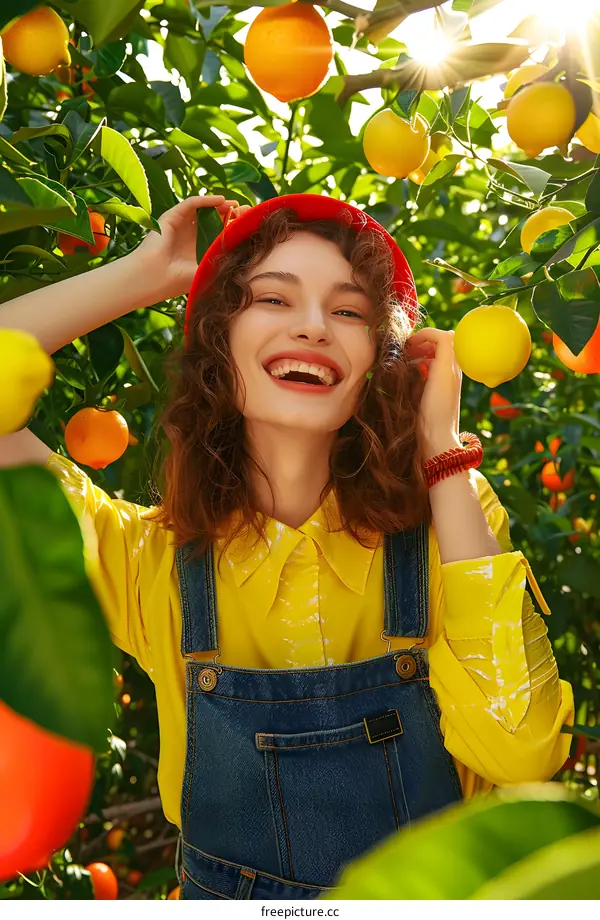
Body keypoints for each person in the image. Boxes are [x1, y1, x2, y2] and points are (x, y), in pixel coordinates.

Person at [0, 192, 574, 901]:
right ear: (219, 341)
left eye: (349, 311)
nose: (312, 327)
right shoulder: (149, 558)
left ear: (380, 360)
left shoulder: (447, 518)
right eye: (272, 299)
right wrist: (148, 274)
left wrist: (443, 456)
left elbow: (522, 756)